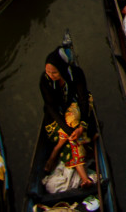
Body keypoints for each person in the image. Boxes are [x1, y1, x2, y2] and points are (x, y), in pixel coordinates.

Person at [40, 48, 94, 188]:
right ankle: (84, 177)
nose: (50, 75)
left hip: (74, 110)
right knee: (73, 138)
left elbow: (83, 99)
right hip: (55, 118)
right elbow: (51, 107)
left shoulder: (76, 74)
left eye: (54, 72)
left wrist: (82, 126)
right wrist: (70, 132)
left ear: (63, 70)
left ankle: (56, 150)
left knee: (74, 122)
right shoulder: (44, 80)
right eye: (48, 71)